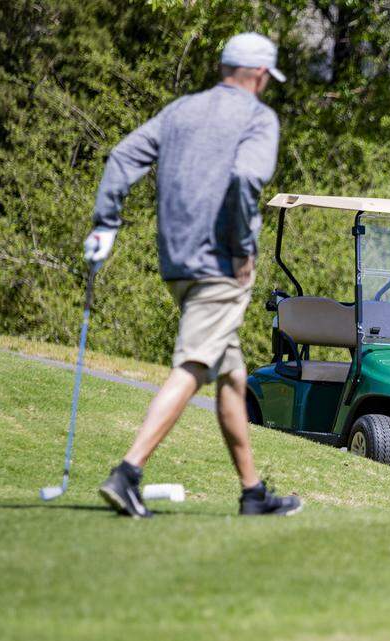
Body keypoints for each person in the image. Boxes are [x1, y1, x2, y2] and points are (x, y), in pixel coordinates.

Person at [85, 33, 301, 518]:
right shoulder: (258, 118)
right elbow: (247, 178)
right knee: (194, 364)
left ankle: (252, 493)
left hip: (176, 261)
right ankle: (128, 472)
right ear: (260, 75)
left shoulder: (180, 110)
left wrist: (106, 222)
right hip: (220, 265)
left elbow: (123, 157)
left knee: (231, 374)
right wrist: (243, 248)